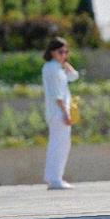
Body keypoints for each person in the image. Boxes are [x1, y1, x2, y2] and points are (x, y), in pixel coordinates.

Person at [42, 37, 79, 190]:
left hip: (57, 112)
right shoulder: (53, 68)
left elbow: (74, 76)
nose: (64, 54)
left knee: (58, 144)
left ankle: (53, 177)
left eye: (66, 52)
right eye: (60, 51)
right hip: (59, 112)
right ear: (52, 52)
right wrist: (66, 113)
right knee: (60, 145)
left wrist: (65, 63)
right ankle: (55, 178)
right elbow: (57, 94)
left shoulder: (55, 67)